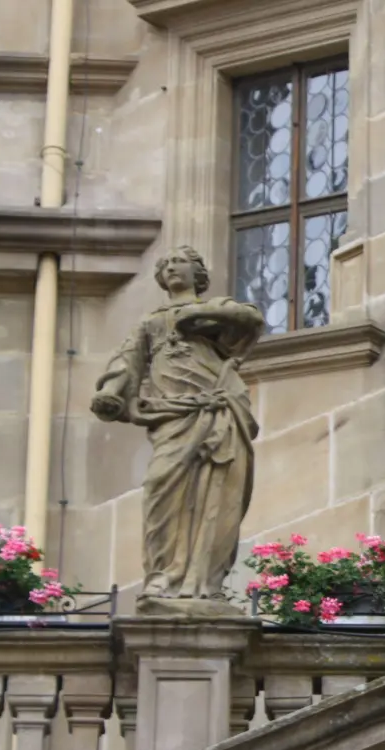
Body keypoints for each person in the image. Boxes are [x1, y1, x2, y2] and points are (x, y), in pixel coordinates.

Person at [91, 246, 264, 602]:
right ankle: (165, 574)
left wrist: (198, 313)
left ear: (197, 273)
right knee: (160, 488)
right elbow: (127, 360)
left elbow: (250, 319)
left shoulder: (216, 313)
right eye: (165, 264)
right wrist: (110, 392)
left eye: (179, 262)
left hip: (218, 409)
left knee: (218, 494)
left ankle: (204, 580)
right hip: (171, 415)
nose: (171, 267)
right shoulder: (151, 322)